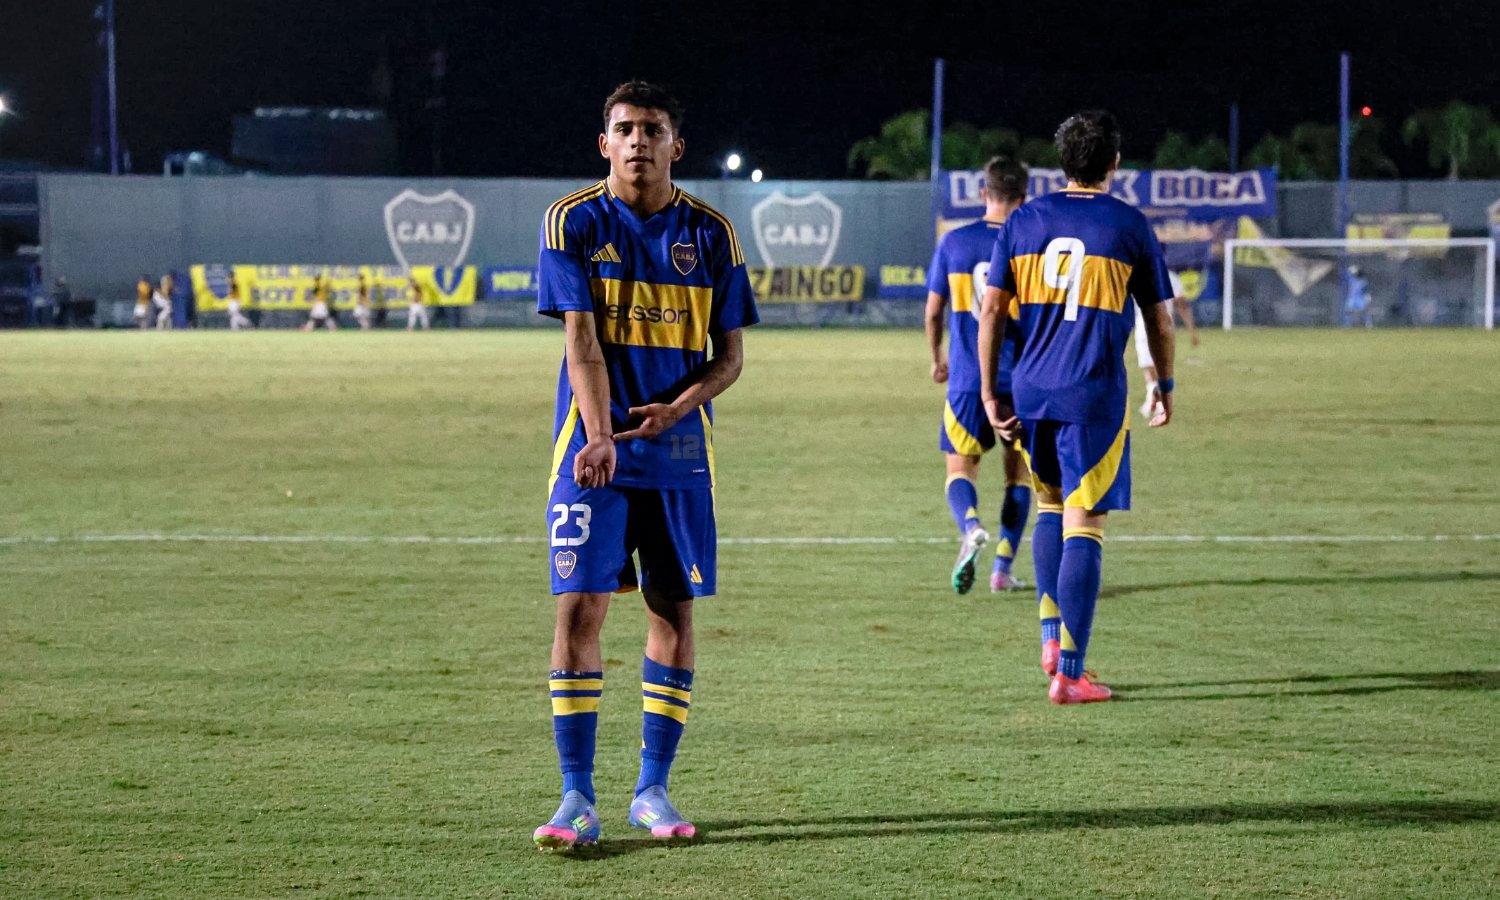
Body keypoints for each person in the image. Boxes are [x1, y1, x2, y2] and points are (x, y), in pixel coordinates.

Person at [531, 80, 758, 852]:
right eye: (623, 129)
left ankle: (652, 791)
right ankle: (575, 798)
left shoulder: (713, 235)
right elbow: (581, 340)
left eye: (651, 129)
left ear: (675, 146)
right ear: (604, 144)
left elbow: (729, 359)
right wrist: (600, 434)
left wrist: (678, 409)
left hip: (681, 458)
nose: (636, 141)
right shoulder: (573, 221)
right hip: (588, 456)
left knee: (672, 612)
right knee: (580, 610)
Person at [978, 109, 1176, 704]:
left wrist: (991, 392)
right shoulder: (1127, 225)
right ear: (1114, 164)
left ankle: (1048, 637)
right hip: (1092, 393)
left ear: (1061, 162)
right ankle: (1070, 672)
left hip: (1031, 392)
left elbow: (990, 312)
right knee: (1084, 521)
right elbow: (1158, 319)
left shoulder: (1023, 221)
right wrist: (1163, 385)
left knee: (1048, 508)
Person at [924, 155, 1032, 594]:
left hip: (968, 379)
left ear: (984, 193)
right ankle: (1002, 569)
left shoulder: (954, 243)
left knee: (960, 470)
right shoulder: (1029, 244)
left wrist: (937, 357)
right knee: (1019, 476)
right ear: (1023, 199)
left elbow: (934, 312)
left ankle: (970, 526)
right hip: (1021, 380)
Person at [1133, 269, 1193, 418]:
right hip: (1164, 325)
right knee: (1155, 365)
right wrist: (1192, 330)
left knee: (1150, 366)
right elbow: (1181, 304)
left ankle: (1157, 402)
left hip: (1145, 324)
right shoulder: (1172, 278)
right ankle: (1156, 400)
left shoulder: (1139, 274)